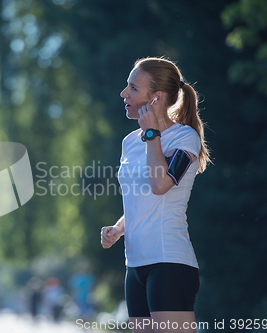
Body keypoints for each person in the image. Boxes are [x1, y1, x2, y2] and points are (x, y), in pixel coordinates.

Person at [100, 57, 211, 333]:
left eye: (133, 88)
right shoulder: (129, 142)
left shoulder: (184, 138)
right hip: (134, 265)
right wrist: (118, 228)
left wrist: (152, 134)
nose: (124, 94)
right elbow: (142, 197)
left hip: (168, 261)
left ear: (156, 97)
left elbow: (161, 185)